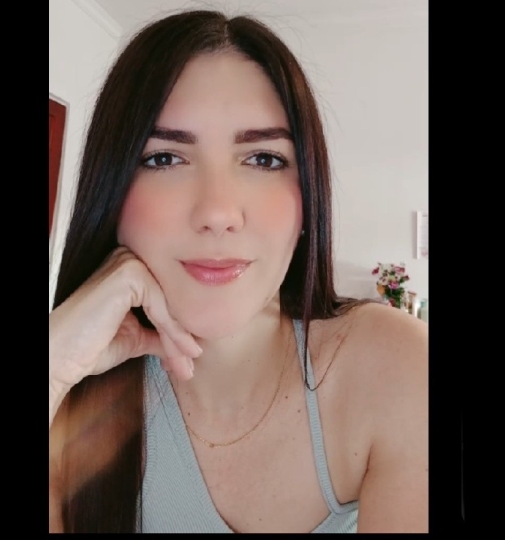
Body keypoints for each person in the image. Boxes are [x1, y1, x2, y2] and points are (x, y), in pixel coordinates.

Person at [49, 9, 428, 533]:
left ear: (308, 199)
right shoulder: (70, 396)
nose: (218, 212)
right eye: (164, 159)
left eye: (264, 159)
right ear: (111, 196)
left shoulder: (398, 368)